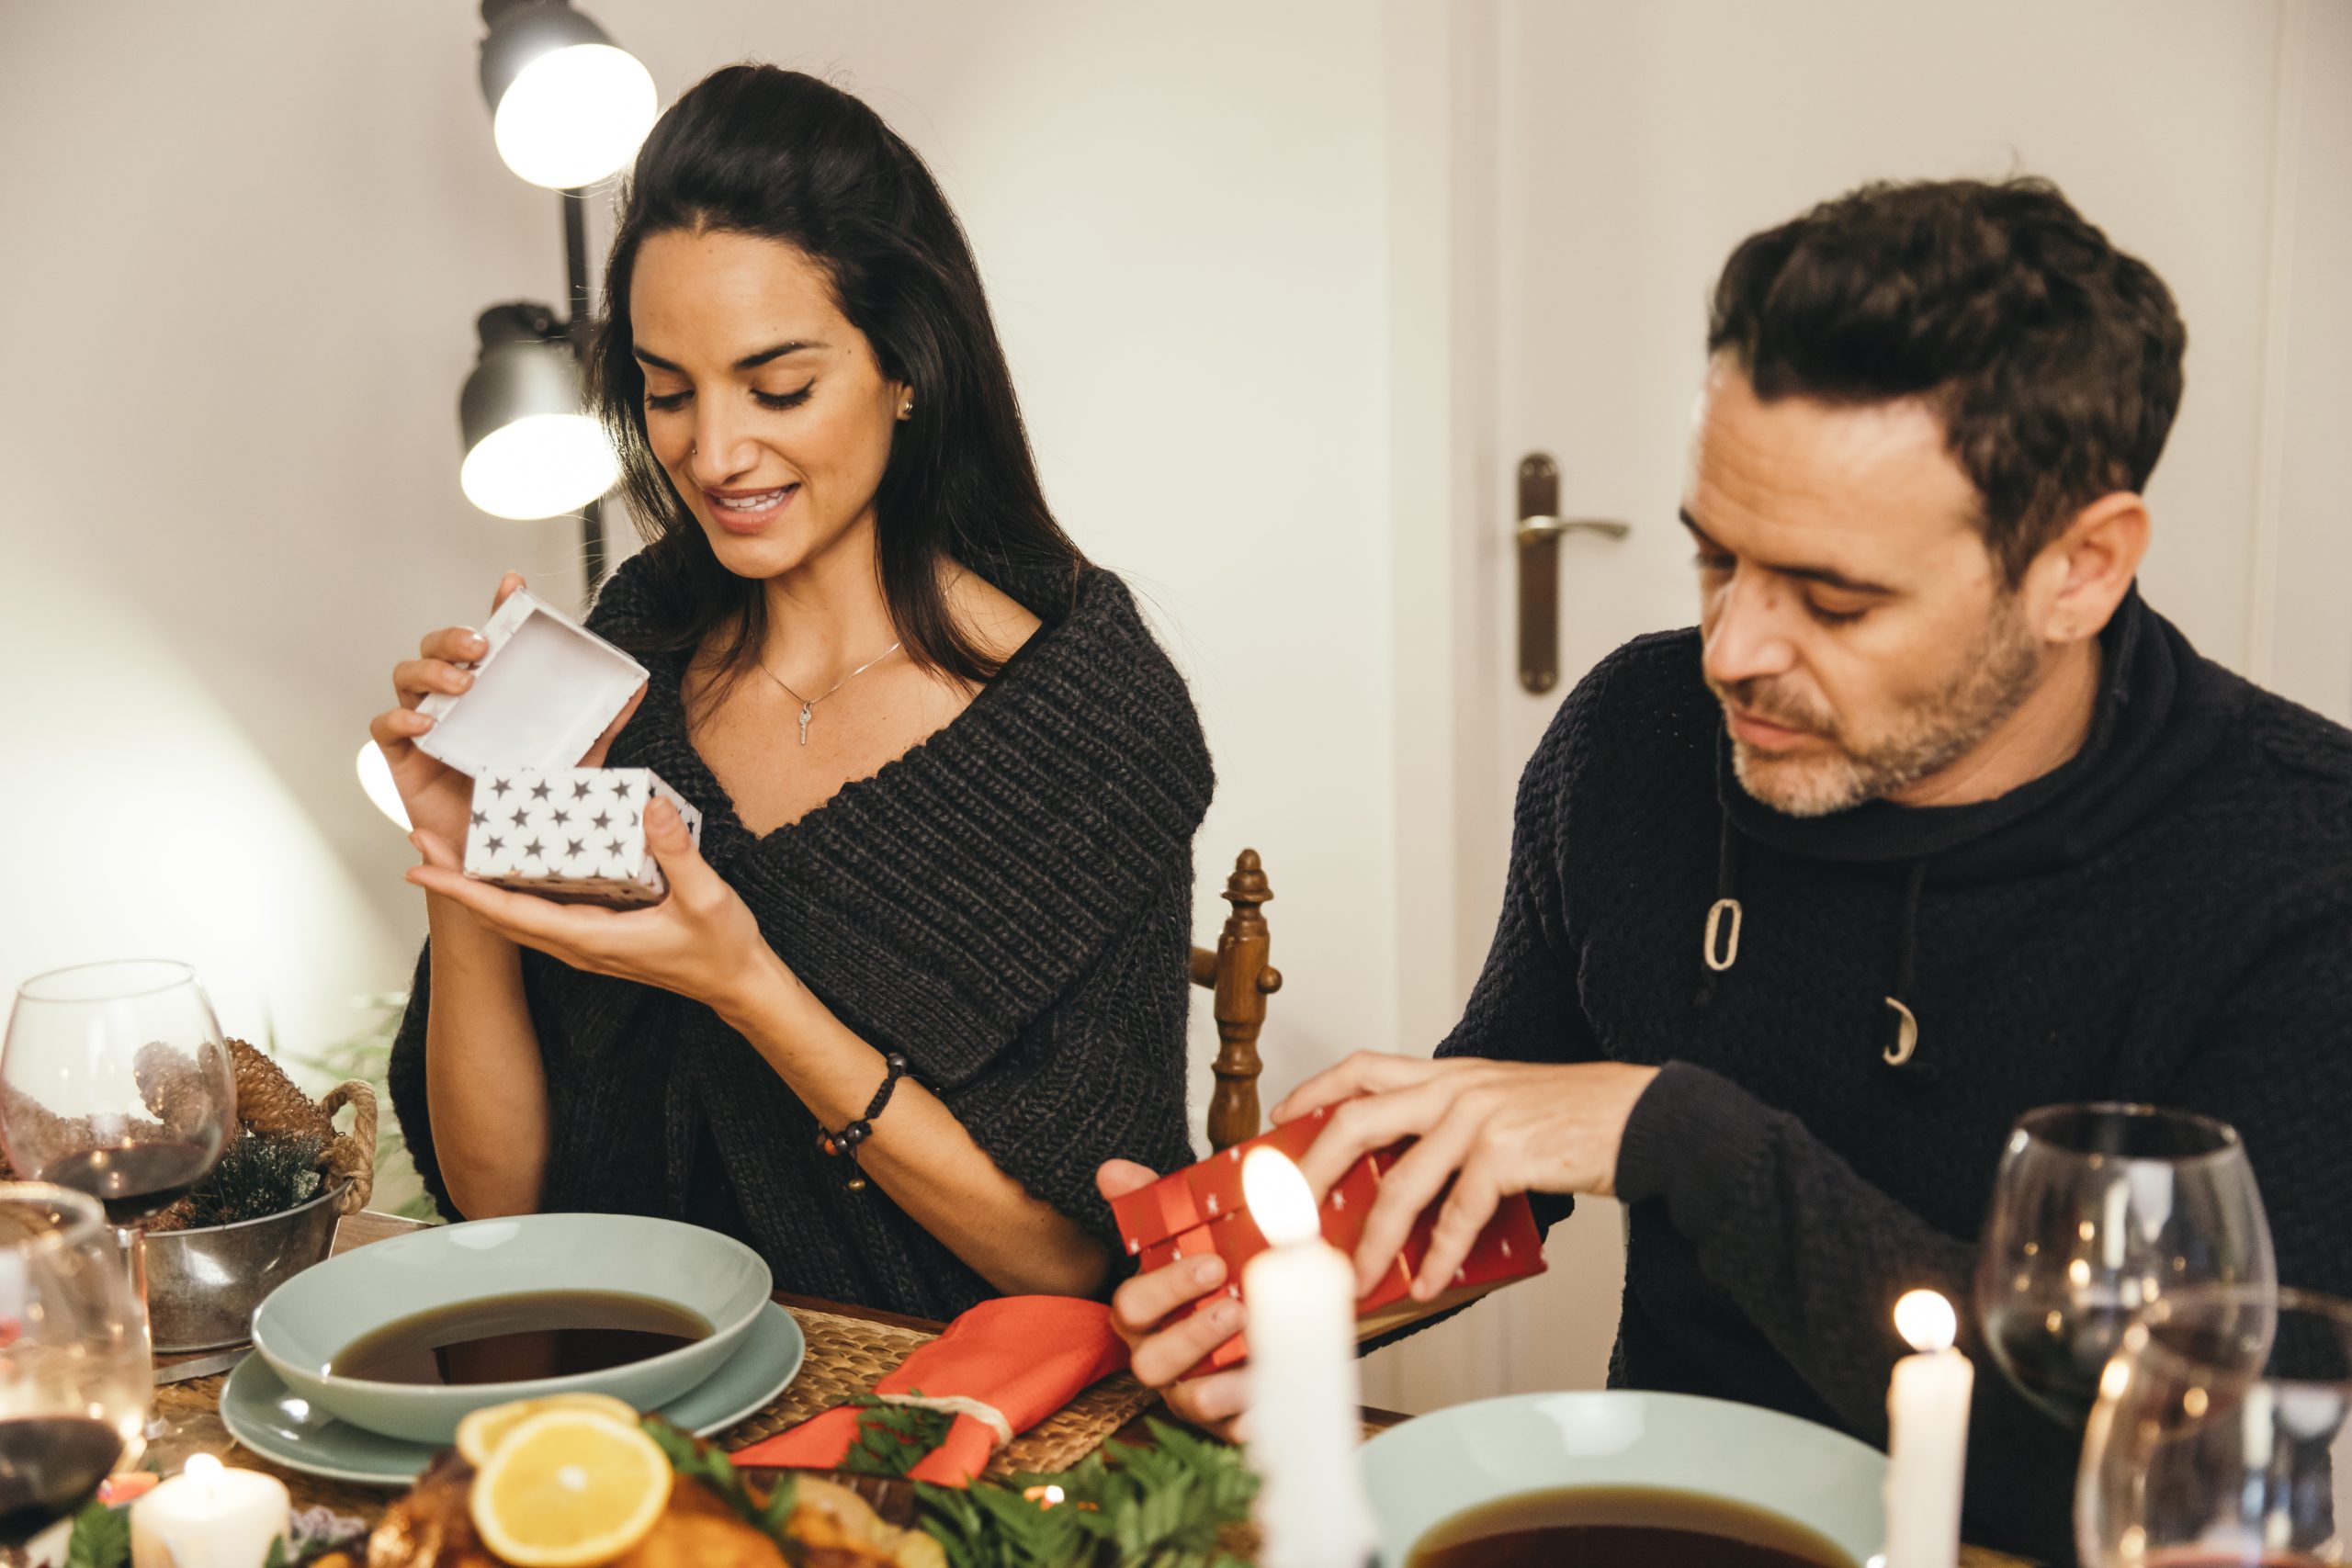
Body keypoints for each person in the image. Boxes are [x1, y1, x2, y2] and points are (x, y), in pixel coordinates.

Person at [1103, 177, 2352, 1560]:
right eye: (1716, 559)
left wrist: (1685, 1139)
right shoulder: (1636, 739)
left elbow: (2181, 1470)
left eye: (1833, 599)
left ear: (2080, 567)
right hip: (1660, 1527)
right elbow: (1506, 1136)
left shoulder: (2299, 875)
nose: (1730, 649)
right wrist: (1268, 1288)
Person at [375, 65, 1211, 1322]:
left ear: (907, 367)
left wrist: (747, 985)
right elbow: (501, 1209)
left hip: (932, 1428)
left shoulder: (1086, 724)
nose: (713, 454)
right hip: (629, 1395)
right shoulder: (631, 653)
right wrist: (461, 865)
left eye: (778, 389)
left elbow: (1073, 1265)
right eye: (666, 392)